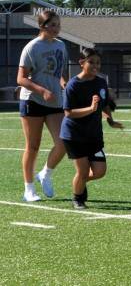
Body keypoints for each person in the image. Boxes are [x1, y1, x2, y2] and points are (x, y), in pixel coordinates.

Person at [60, 48, 123, 209]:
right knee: (82, 171)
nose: (96, 66)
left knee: (99, 171)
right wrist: (90, 108)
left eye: (98, 63)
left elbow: (105, 104)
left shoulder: (101, 82)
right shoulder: (73, 85)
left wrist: (110, 120)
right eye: (91, 62)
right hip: (74, 136)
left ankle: (79, 183)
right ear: (82, 63)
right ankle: (78, 198)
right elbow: (69, 113)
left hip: (94, 135)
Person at [16, 10, 68, 202]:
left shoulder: (61, 46)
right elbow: (21, 79)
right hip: (33, 100)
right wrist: (42, 91)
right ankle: (28, 189)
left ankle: (45, 173)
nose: (56, 28)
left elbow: (58, 71)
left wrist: (64, 83)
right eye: (52, 25)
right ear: (42, 26)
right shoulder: (32, 47)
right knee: (33, 146)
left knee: (63, 142)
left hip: (54, 101)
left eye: (58, 24)